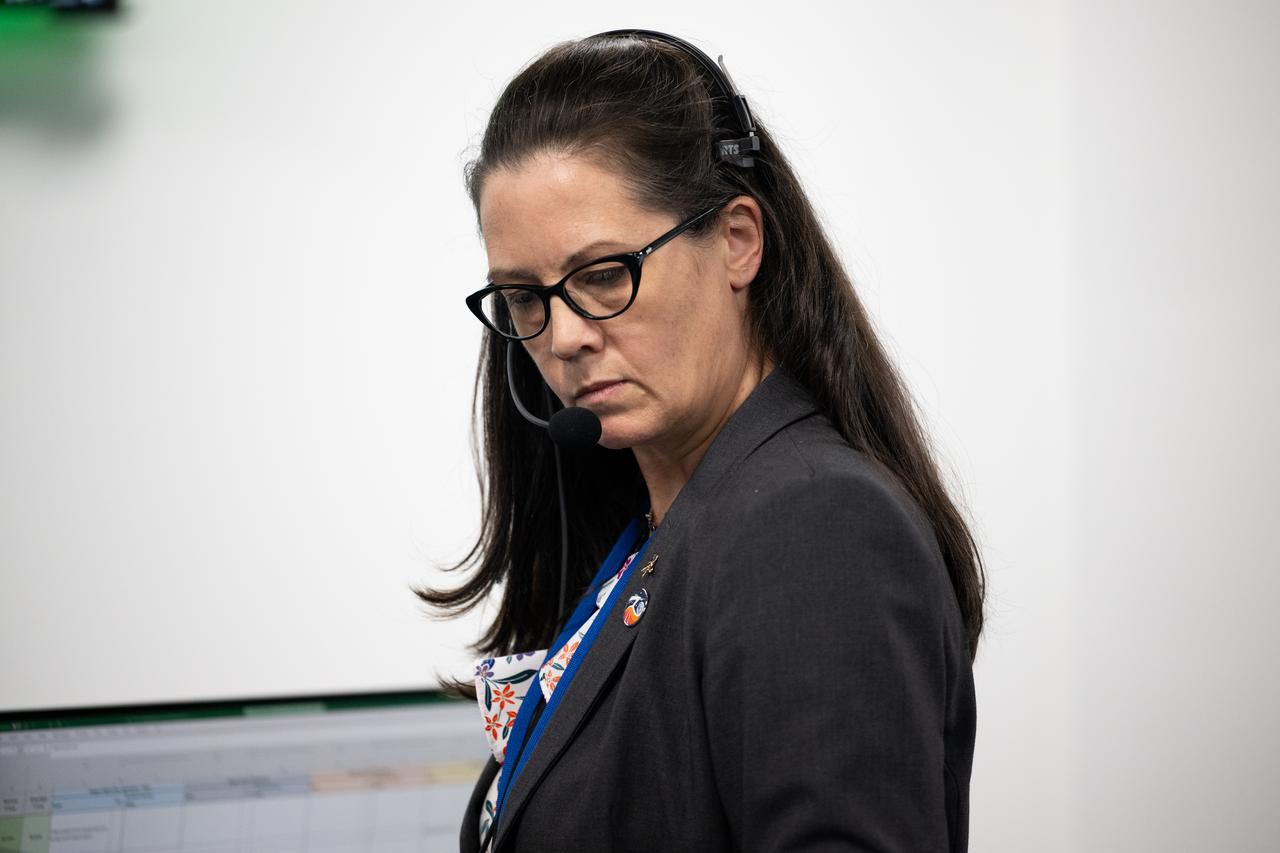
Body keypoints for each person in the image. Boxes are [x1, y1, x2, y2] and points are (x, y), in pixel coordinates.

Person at [418, 29, 983, 853]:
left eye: (603, 274)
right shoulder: (658, 533)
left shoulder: (815, 526)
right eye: (525, 298)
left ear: (737, 241)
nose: (564, 337)